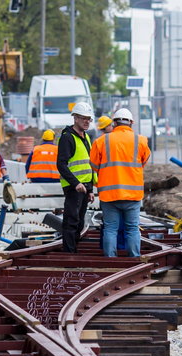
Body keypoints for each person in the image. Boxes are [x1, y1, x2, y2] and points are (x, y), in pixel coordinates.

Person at [90, 107, 151, 258]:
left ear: (114, 123)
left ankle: (110, 259)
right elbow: (143, 161)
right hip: (132, 194)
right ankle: (134, 259)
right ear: (131, 122)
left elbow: (94, 164)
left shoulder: (101, 141)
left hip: (109, 194)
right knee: (132, 228)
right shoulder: (141, 140)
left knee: (110, 229)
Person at [57, 103, 96, 253]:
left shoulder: (85, 136)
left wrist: (90, 189)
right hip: (74, 187)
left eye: (89, 119)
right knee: (71, 221)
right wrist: (76, 183)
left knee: (79, 222)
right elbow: (61, 164)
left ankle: (74, 249)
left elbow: (88, 165)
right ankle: (69, 253)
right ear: (75, 118)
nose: (87, 122)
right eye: (84, 119)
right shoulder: (67, 138)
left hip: (84, 186)